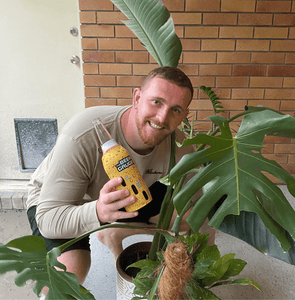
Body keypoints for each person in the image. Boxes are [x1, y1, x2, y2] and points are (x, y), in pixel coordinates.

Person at [26, 66, 215, 299]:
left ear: (183, 115)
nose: (162, 118)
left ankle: (114, 232)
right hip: (65, 202)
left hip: (128, 193)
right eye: (156, 102)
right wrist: (98, 211)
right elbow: (48, 219)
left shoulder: (180, 147)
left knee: (184, 219)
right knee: (70, 270)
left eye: (174, 109)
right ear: (137, 98)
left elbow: (195, 214)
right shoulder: (81, 135)